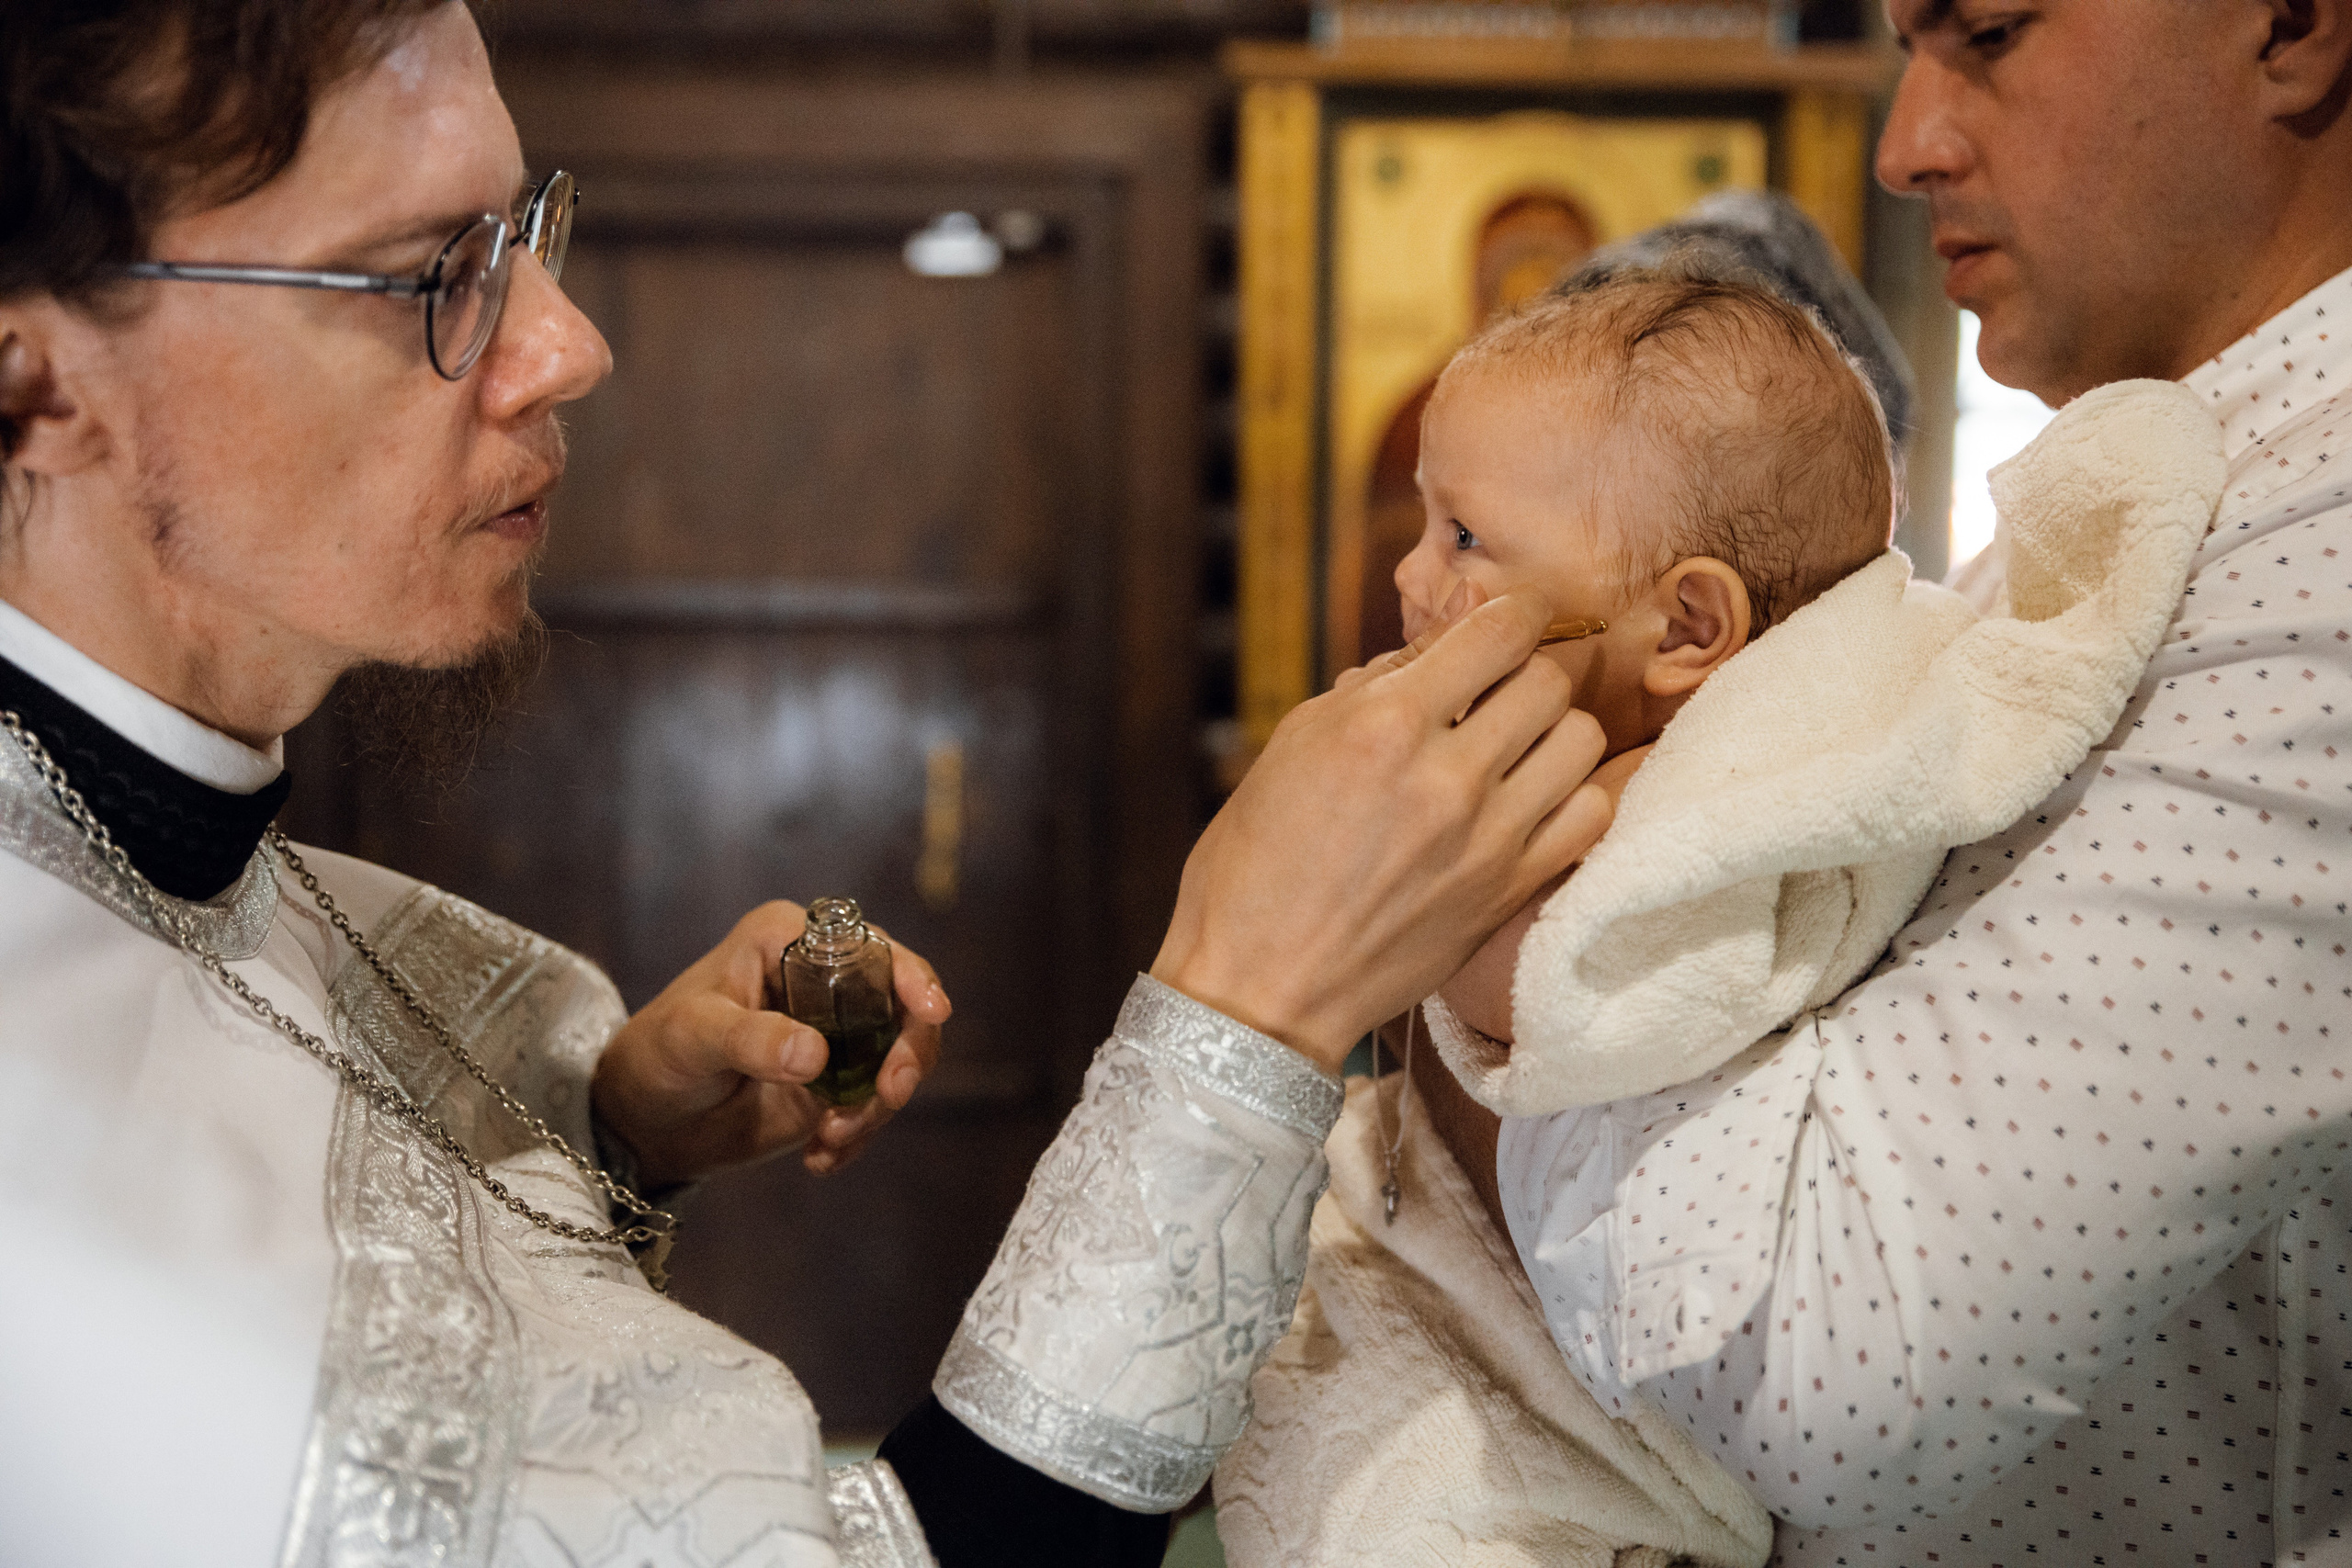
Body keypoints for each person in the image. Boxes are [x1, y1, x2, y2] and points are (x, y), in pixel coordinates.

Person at [0, 5, 1618, 1565]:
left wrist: (613, 1139)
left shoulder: (160, 842)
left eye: (524, 231)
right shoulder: (50, 1218)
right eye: (430, 275)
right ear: (37, 383)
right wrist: (1254, 999)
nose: (567, 345)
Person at [1485, 2, 2352, 1563]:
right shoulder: (2158, 494)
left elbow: (1832, 1354)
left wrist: (1501, 952)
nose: (1906, 145)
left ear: (2289, 25)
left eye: (1991, 35)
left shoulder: (2328, 547)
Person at [1216, 262, 2227, 1565]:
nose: (1413, 577)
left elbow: (1547, 988)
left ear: (1691, 624)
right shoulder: (1752, 710)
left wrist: (1398, 883)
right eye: (1425, 523)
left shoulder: (1702, 810)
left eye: (1463, 538)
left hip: (1595, 1376)